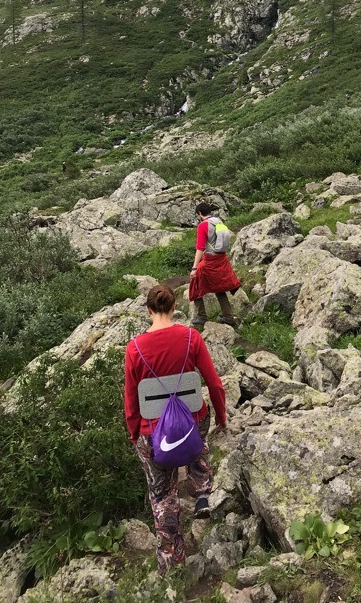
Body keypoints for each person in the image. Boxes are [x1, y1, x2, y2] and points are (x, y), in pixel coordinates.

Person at [124, 284, 226, 574]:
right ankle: (202, 489)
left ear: (148, 310)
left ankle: (172, 559)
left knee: (162, 495)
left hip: (154, 436)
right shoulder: (191, 337)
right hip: (191, 425)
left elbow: (131, 402)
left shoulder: (134, 349)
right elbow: (215, 383)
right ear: (173, 308)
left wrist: (135, 434)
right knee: (196, 432)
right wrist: (221, 416)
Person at [189, 203, 242, 327]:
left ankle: (201, 316)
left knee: (195, 284)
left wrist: (194, 268)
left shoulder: (203, 225)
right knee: (219, 287)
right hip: (222, 259)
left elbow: (200, 248)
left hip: (210, 261)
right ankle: (228, 316)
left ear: (199, 214)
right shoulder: (218, 222)